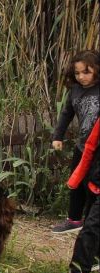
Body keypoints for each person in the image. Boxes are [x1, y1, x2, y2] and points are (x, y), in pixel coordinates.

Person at [50, 50, 100, 234]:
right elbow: (66, 114)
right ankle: (74, 219)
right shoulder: (75, 91)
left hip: (98, 150)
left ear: (96, 69)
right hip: (83, 146)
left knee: (94, 186)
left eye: (86, 72)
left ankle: (92, 222)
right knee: (76, 182)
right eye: (77, 73)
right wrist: (57, 136)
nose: (81, 77)